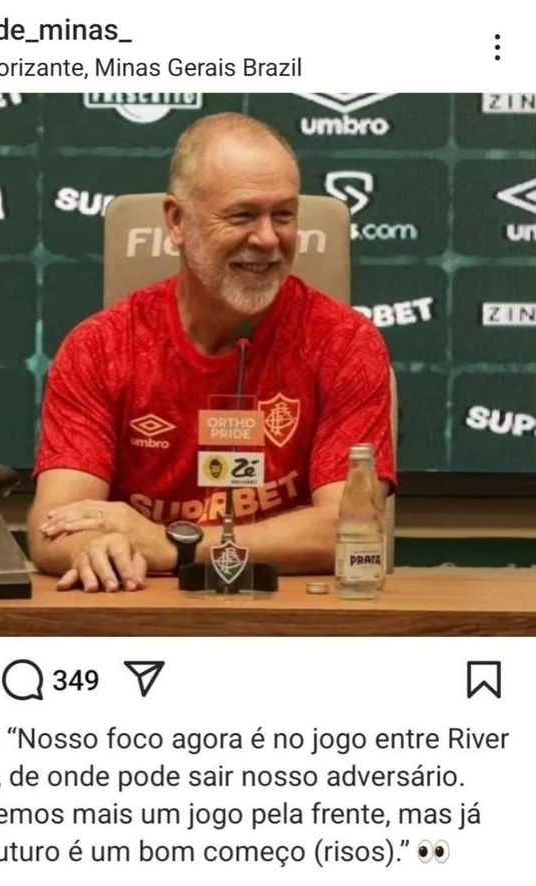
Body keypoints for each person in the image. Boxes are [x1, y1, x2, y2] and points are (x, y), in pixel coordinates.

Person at [29, 112, 395, 592]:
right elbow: (55, 526)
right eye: (242, 216)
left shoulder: (346, 343)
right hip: (143, 608)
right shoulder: (99, 347)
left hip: (290, 613)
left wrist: (177, 545)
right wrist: (93, 548)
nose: (268, 238)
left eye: (283, 215)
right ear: (177, 221)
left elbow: (351, 530)